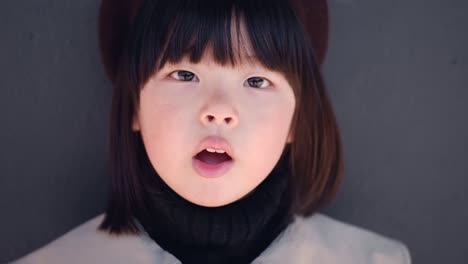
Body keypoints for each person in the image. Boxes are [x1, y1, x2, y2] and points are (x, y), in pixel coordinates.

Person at [11, 0, 412, 263]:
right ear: (135, 105)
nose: (218, 110)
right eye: (184, 74)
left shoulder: (374, 259)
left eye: (256, 81)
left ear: (296, 118)